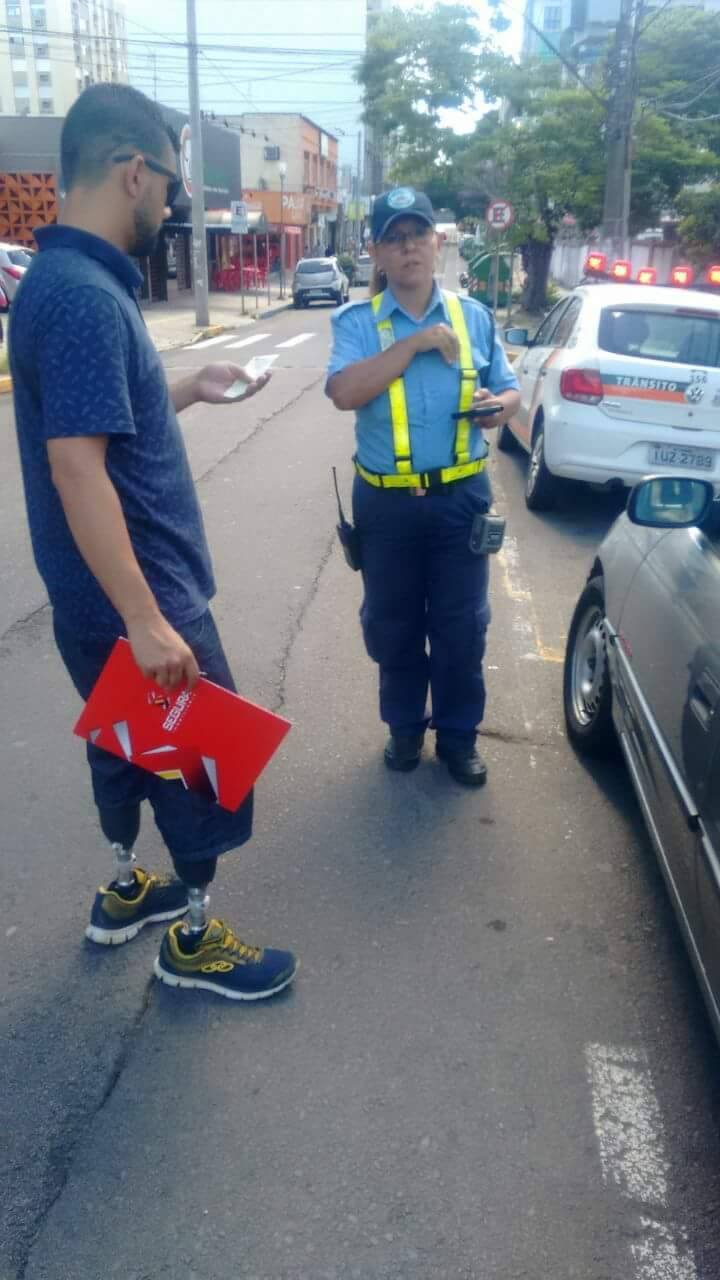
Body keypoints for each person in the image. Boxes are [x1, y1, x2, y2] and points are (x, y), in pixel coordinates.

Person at [10, 84, 297, 1002]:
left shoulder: (59, 283)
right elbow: (77, 472)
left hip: (99, 602)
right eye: (170, 183)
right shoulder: (86, 297)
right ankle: (195, 943)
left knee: (129, 752)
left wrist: (189, 388)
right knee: (205, 770)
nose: (172, 203)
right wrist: (147, 619)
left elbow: (96, 427)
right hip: (141, 600)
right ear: (134, 171)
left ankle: (127, 889)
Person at [326, 188, 521, 786]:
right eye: (394, 236)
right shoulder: (360, 323)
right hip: (385, 505)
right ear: (378, 253)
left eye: (418, 233)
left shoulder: (474, 317)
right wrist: (413, 344)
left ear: (437, 243)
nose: (408, 245)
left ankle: (459, 738)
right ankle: (406, 729)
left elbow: (509, 390)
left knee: (463, 629)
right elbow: (344, 393)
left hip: (461, 502)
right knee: (393, 625)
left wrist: (498, 409)